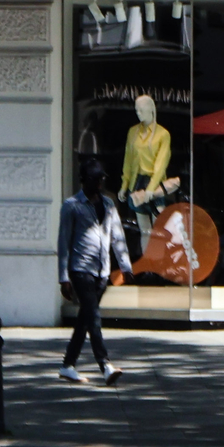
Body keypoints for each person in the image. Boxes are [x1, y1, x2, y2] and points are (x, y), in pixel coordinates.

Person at [57, 154, 130, 384]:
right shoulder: (72, 206)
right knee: (94, 318)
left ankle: (68, 365)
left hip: (102, 271)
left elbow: (117, 237)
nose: (99, 183)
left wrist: (125, 265)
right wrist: (63, 277)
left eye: (101, 179)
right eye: (95, 179)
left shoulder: (108, 205)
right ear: (84, 180)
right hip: (81, 269)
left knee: (85, 319)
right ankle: (105, 365)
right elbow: (63, 242)